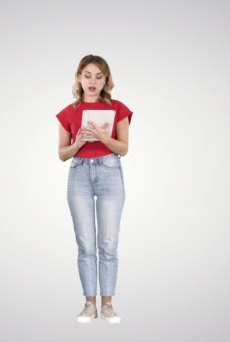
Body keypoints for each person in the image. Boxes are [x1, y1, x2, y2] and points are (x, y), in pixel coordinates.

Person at [56, 54, 133, 324]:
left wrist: (102, 136)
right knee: (86, 242)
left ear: (106, 80)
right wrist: (77, 143)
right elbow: (62, 154)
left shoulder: (118, 108)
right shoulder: (68, 112)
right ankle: (89, 304)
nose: (92, 81)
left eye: (99, 76)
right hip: (78, 173)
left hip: (109, 172)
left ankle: (108, 304)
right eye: (87, 75)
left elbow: (124, 148)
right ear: (79, 77)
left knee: (108, 242)